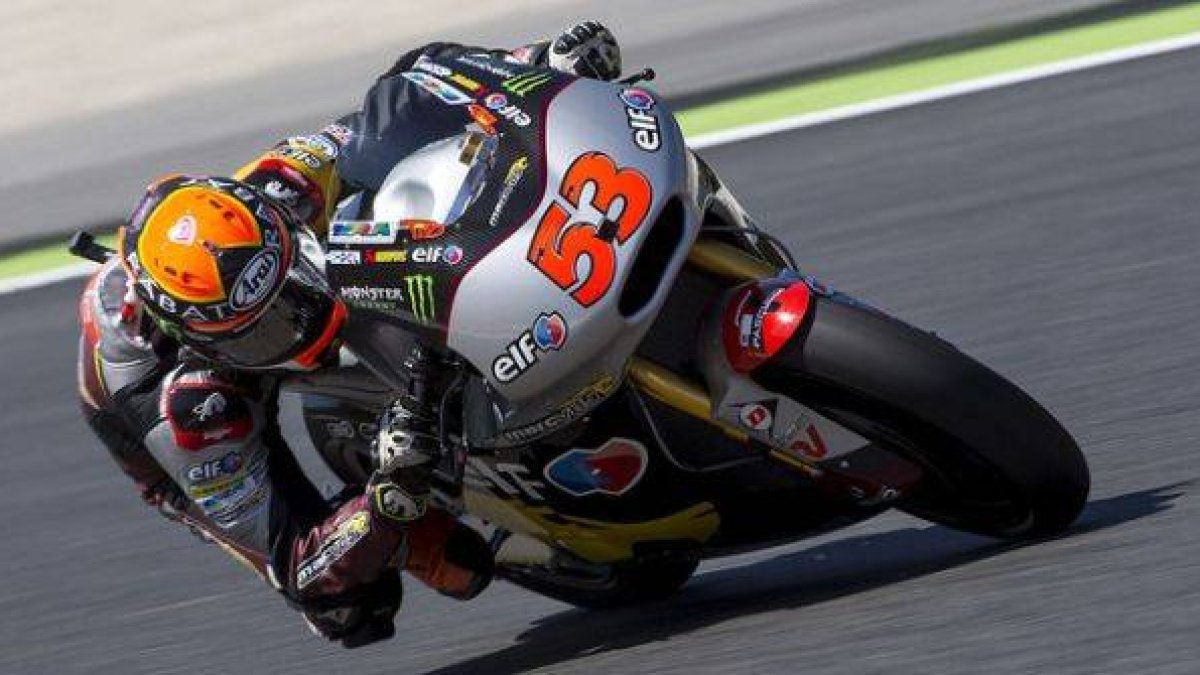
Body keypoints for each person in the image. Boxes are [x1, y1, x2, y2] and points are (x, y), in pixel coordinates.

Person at [76, 21, 622, 648]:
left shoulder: (277, 187)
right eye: (270, 325)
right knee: (356, 604)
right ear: (207, 339)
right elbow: (301, 562)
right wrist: (392, 497)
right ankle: (474, 520)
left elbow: (411, 94)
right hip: (157, 427)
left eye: (292, 284)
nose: (302, 317)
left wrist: (540, 64)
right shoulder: (193, 408)